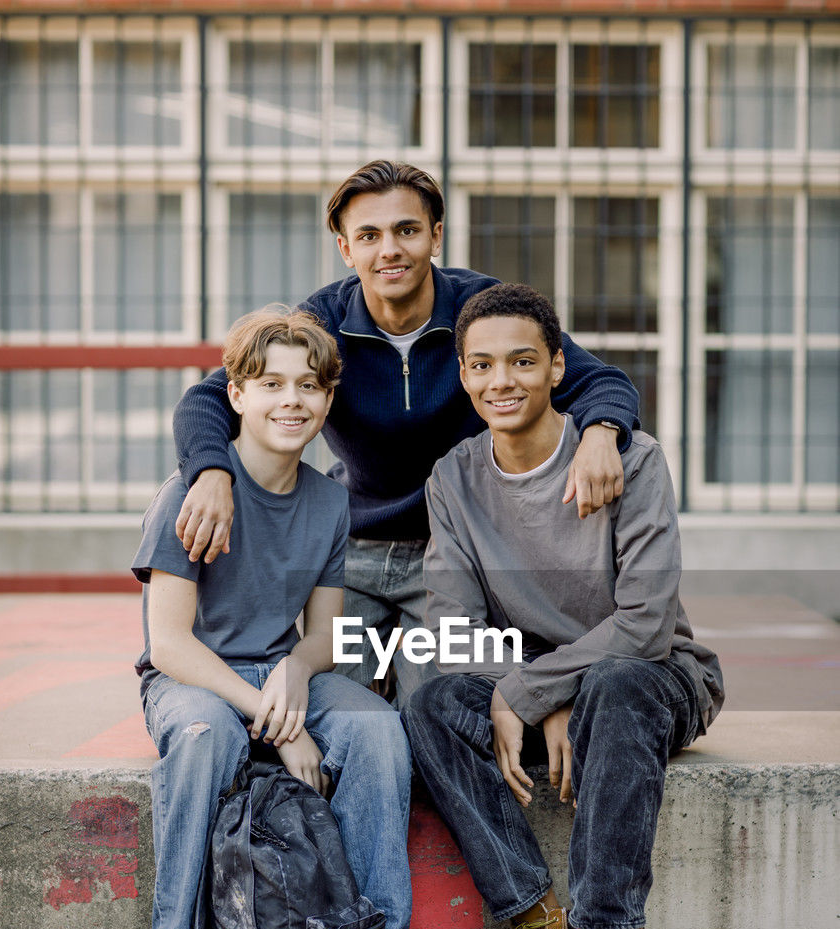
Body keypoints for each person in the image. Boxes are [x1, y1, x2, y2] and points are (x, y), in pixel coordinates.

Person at [170, 160, 640, 704]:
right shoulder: (323, 324)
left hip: (452, 553)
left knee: (436, 704)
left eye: (407, 230)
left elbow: (603, 381)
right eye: (368, 235)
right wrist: (210, 472)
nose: (388, 249)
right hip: (352, 551)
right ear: (346, 250)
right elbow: (209, 397)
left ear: (435, 236)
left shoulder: (481, 313)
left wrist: (602, 432)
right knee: (333, 700)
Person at [401, 284, 724, 929]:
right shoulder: (452, 477)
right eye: (480, 365)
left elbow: (644, 626)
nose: (499, 380)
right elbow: (449, 627)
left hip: (656, 674)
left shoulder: (631, 460)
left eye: (520, 361)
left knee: (615, 682)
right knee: (427, 705)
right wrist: (533, 693)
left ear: (555, 368)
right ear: (463, 377)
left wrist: (531, 688)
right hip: (540, 675)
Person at [128, 308, 455, 929]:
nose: (291, 400)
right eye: (270, 382)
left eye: (308, 385)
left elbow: (325, 636)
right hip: (196, 679)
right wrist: (276, 717)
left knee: (377, 728)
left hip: (281, 672)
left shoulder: (329, 499)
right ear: (236, 394)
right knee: (209, 735)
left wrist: (299, 681)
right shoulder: (191, 491)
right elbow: (170, 644)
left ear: (328, 401)